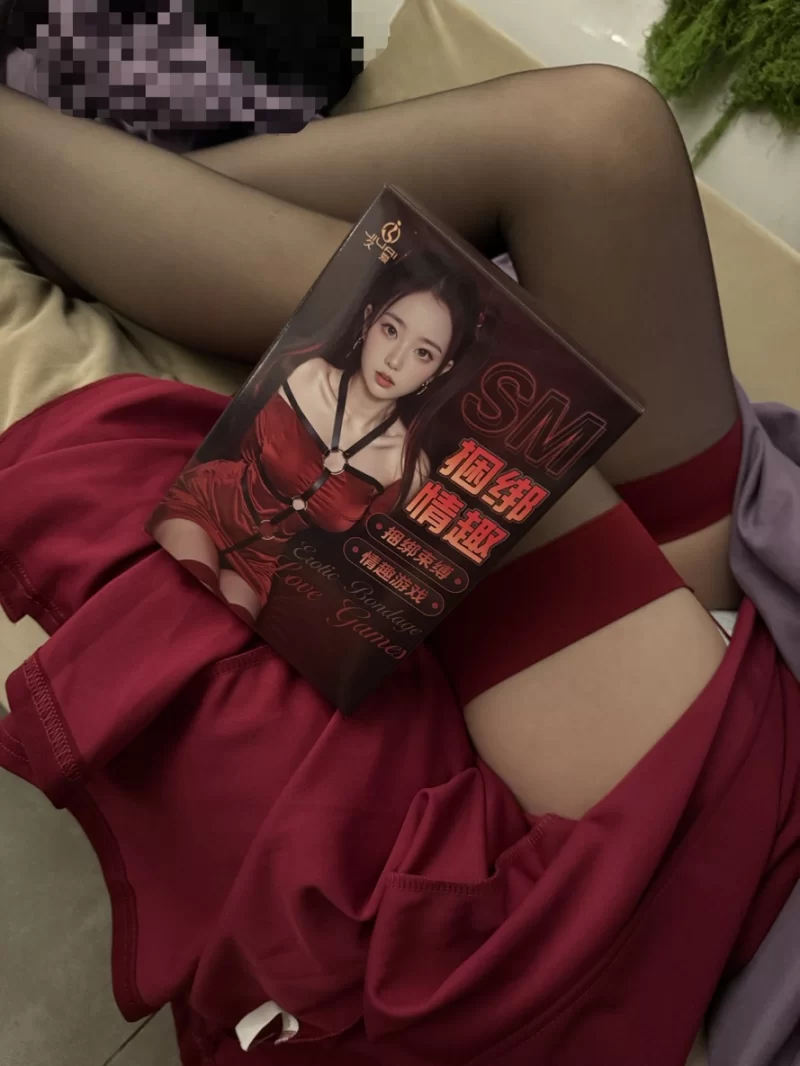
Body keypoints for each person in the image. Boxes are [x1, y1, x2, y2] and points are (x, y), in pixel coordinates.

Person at [0, 68, 798, 1066]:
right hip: (775, 635)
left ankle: (61, 196)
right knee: (597, 137)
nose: (396, 358)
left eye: (414, 353)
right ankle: (67, 207)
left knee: (459, 382)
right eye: (392, 341)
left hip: (731, 881)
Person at [150, 252, 486, 621]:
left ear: (440, 371)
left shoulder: (407, 467)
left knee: (220, 628)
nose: (395, 360)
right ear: (368, 320)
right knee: (186, 596)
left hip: (259, 563)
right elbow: (235, 436)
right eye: (391, 330)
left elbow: (360, 557)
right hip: (203, 505)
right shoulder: (304, 375)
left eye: (423, 353)